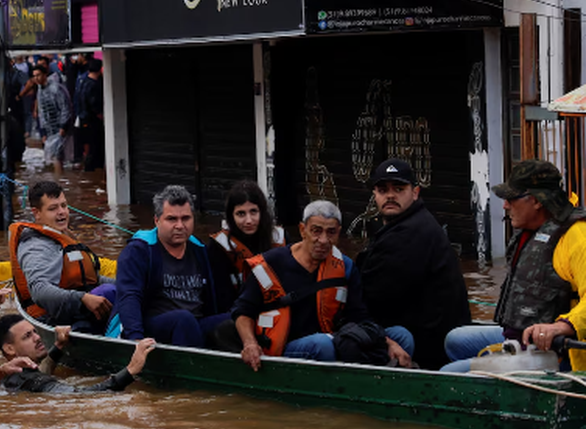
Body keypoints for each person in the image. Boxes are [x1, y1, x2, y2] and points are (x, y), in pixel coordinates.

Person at [232, 200, 414, 369]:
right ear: (303, 230)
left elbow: (359, 316)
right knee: (323, 344)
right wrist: (250, 344)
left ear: (339, 232)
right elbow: (242, 311)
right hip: (288, 347)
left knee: (401, 336)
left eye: (331, 232)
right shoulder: (270, 265)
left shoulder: (346, 267)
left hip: (333, 339)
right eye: (316, 231)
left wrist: (389, 342)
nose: (324, 240)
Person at [443, 160, 586, 372]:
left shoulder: (576, 237)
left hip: (556, 353)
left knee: (449, 373)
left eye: (511, 198)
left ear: (537, 201)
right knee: (454, 340)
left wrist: (562, 326)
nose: (505, 205)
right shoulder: (531, 230)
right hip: (518, 337)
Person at [354, 158, 471, 369]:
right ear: (375, 195)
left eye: (399, 189)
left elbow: (372, 297)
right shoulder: (409, 225)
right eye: (383, 190)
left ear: (415, 192)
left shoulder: (411, 233)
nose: (390, 195)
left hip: (427, 351)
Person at [112, 185, 235, 346]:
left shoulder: (200, 249)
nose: (180, 226)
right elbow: (129, 296)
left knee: (237, 318)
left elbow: (213, 297)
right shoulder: (138, 251)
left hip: (195, 325)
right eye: (172, 219)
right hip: (154, 327)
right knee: (183, 319)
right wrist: (136, 339)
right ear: (157, 221)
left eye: (185, 218)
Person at [10, 180, 115, 329]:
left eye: (64, 206)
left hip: (77, 307)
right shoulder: (35, 247)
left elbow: (90, 279)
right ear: (37, 213)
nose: (61, 212)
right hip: (52, 318)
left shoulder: (64, 237)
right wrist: (82, 298)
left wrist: (127, 285)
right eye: (53, 208)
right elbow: (40, 291)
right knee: (108, 293)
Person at [0, 315, 154, 393]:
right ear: (9, 349)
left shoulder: (13, 375)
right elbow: (82, 395)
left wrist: (58, 347)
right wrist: (130, 370)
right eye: (27, 336)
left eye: (35, 332)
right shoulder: (32, 380)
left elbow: (40, 374)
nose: (37, 338)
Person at [213, 179, 286, 290]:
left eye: (253, 212)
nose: (249, 220)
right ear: (231, 216)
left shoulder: (280, 238)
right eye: (241, 214)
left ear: (262, 212)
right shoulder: (219, 247)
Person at [37, 68, 72, 174]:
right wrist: (43, 131)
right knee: (52, 157)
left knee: (57, 156)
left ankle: (59, 179)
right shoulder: (40, 90)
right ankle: (58, 180)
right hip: (49, 130)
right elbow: (41, 111)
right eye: (34, 76)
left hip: (59, 127)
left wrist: (63, 126)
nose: (36, 78)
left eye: (38, 75)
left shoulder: (56, 88)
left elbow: (65, 107)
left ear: (44, 75)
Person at [73, 59, 104, 171]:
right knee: (93, 146)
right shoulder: (93, 85)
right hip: (92, 120)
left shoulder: (82, 81)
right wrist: (99, 114)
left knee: (88, 145)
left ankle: (89, 168)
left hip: (82, 118)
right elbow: (93, 103)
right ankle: (91, 168)